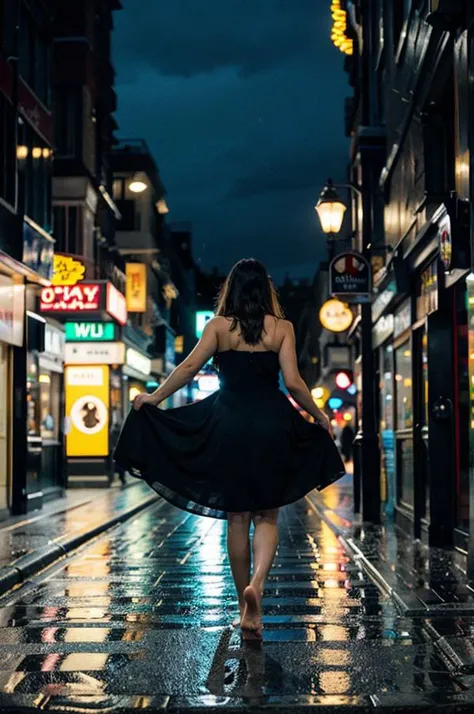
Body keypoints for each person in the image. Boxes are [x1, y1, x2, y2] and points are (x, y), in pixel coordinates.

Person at [114, 259, 345, 640]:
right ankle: (258, 586)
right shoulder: (282, 328)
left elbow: (188, 367)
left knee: (237, 517)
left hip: (228, 424)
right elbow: (294, 384)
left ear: (231, 291)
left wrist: (154, 397)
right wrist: (319, 417)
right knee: (267, 515)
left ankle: (243, 605)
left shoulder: (219, 327)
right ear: (266, 291)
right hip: (273, 424)